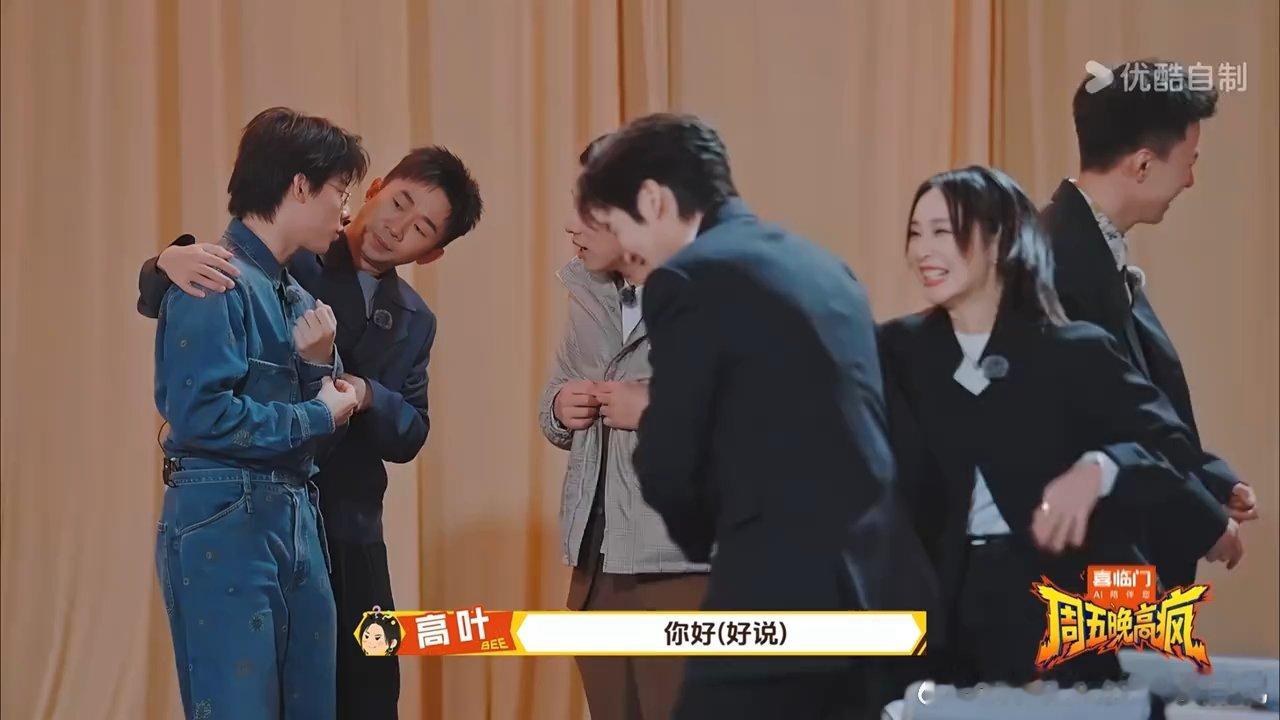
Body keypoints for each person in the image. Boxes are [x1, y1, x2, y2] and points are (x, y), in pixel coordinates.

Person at [575, 113, 938, 720]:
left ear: (654, 200)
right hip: (882, 584)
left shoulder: (688, 277)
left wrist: (701, 528)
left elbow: (670, 464)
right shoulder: (823, 266)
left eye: (620, 227)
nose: (629, 252)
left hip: (780, 588)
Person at [140, 146, 483, 719]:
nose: (397, 227)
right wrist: (164, 262)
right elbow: (191, 283)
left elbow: (411, 431)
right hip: (259, 506)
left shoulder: (416, 318)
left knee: (370, 690)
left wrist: (366, 394)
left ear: (433, 253)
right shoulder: (296, 253)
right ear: (374, 189)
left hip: (350, 521)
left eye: (422, 228)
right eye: (399, 203)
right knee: (250, 691)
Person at [878, 166, 1242, 688]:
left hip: (1066, 603)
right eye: (916, 233)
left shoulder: (1074, 349)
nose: (923, 251)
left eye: (943, 231)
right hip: (944, 606)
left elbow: (1168, 447)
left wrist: (1102, 469)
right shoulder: (899, 351)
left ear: (999, 241)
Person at [154, 106, 365, 719]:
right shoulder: (211, 278)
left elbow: (322, 430)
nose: (346, 212)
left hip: (295, 511)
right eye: (339, 191)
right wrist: (319, 411)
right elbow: (202, 417)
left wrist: (320, 375)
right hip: (224, 514)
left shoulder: (297, 297)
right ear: (299, 185)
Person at [1042, 59, 1256, 588]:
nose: (1190, 180)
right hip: (1090, 561)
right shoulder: (1056, 261)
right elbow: (1104, 425)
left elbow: (1137, 395)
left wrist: (1207, 476)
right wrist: (1202, 520)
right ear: (1142, 164)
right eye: (1188, 162)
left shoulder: (1087, 245)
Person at [540, 135, 709, 720]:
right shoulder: (590, 290)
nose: (571, 224)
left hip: (683, 567)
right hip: (598, 556)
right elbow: (557, 391)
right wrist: (560, 407)